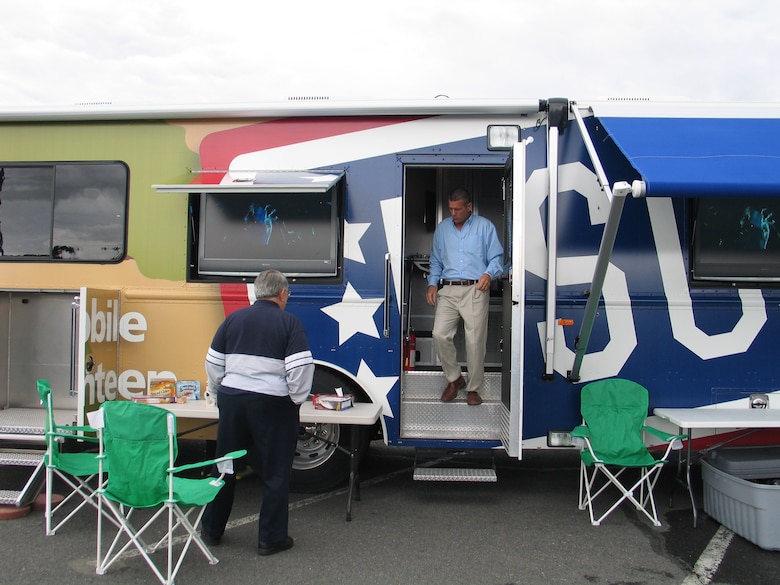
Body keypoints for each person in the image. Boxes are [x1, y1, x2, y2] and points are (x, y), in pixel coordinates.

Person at [201, 269, 314, 556]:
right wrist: (296, 400)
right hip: (273, 404)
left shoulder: (233, 319)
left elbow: (213, 364)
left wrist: (218, 395)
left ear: (255, 293)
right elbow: (299, 370)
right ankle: (271, 538)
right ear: (283, 294)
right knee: (275, 472)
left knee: (225, 465)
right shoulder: (290, 323)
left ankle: (211, 530)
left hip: (233, 400)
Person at [425, 188, 504, 406]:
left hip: (475, 289)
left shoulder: (485, 227)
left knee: (475, 340)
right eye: (451, 209)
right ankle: (455, 379)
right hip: (448, 290)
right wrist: (432, 284)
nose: (453, 213)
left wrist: (489, 274)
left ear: (469, 207)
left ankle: (473, 388)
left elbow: (497, 258)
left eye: (457, 209)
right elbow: (436, 261)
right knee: (439, 334)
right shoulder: (442, 229)